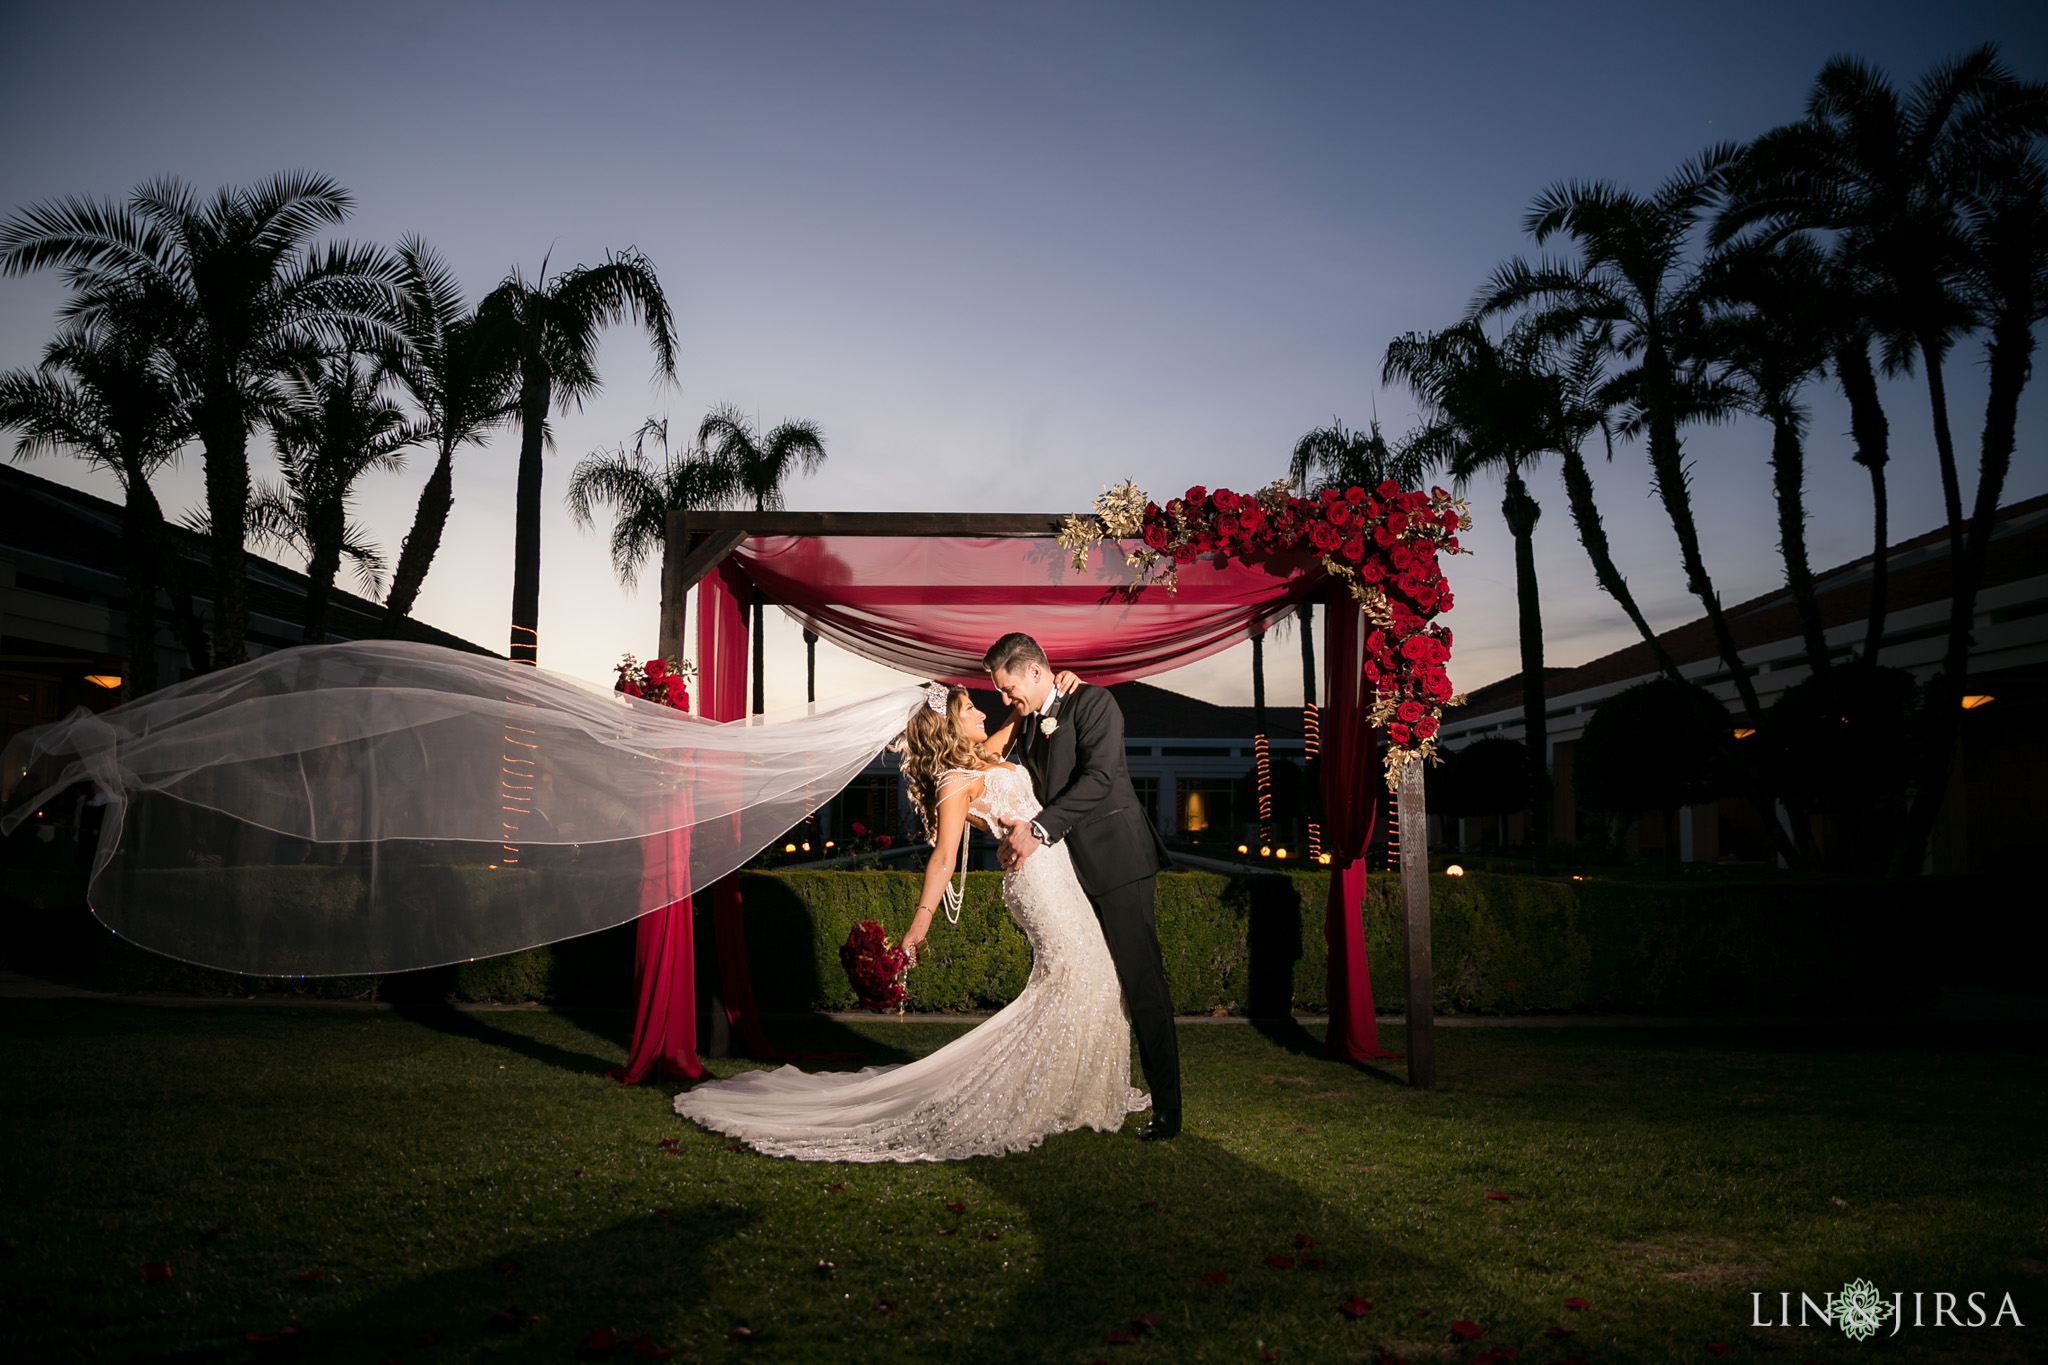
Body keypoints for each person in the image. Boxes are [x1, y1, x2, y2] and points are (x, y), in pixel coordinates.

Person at [671, 682, 1150, 1162]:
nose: (982, 712)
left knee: (1091, 976)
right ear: (949, 725)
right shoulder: (953, 780)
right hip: (1037, 884)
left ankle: (1073, 1091)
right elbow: (942, 859)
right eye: (969, 709)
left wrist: (1054, 683)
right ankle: (1045, 1097)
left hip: (1055, 870)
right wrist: (919, 925)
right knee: (1083, 975)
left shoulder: (983, 756)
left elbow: (1014, 721)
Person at [983, 632, 1181, 1141]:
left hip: (1118, 863)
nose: (1005, 701)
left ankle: (1167, 1110)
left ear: (1032, 671)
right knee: (1094, 982)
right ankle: (1087, 1092)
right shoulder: (1028, 725)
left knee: (1142, 984)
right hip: (1069, 873)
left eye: (1008, 690)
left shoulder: (1095, 702)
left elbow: (1099, 778)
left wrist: (1039, 830)